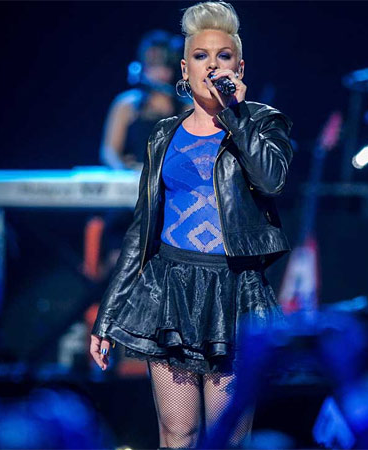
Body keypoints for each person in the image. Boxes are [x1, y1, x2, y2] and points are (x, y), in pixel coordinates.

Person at [89, 1, 294, 448]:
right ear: (185, 67)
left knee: (226, 438)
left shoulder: (261, 122)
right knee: (177, 434)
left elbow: (272, 180)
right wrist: (108, 317)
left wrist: (236, 115)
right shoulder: (163, 135)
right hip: (169, 291)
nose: (212, 65)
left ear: (239, 66)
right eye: (201, 56)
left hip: (233, 292)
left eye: (223, 56)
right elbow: (141, 233)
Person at [99, 30, 192, 275]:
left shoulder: (184, 106)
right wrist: (126, 173)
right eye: (152, 65)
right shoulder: (127, 104)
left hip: (170, 193)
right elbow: (109, 151)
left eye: (163, 65)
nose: (158, 72)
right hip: (130, 192)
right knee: (119, 260)